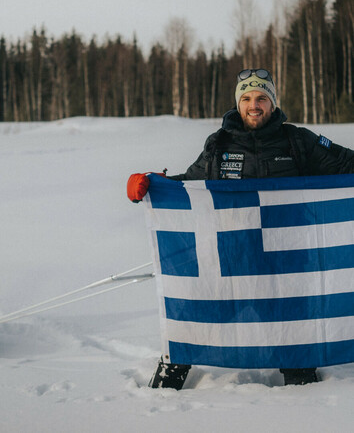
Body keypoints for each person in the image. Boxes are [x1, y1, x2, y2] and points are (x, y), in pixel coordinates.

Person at [127, 68, 354, 389]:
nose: (254, 104)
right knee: (193, 316)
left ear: (273, 104)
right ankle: (166, 384)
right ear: (237, 104)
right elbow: (191, 186)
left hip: (289, 266)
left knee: (297, 348)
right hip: (232, 259)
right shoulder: (218, 145)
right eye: (246, 98)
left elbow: (348, 165)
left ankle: (306, 406)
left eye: (262, 98)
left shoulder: (298, 141)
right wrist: (152, 185)